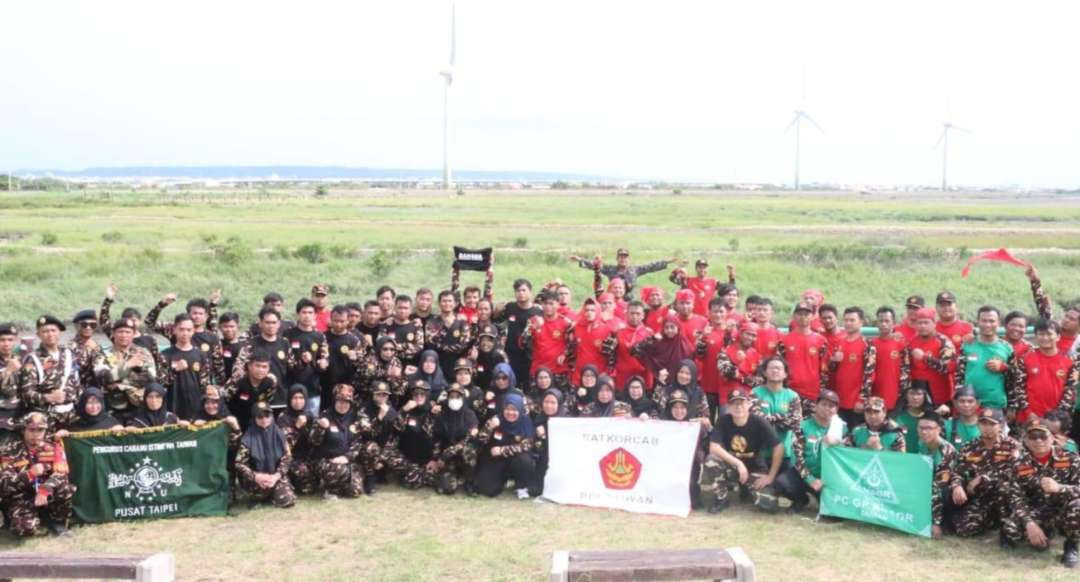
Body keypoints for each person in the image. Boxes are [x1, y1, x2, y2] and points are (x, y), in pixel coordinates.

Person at [999, 418, 1080, 568]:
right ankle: (1044, 531)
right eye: (1033, 437)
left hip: (1063, 508)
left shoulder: (1071, 458)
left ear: (1052, 438)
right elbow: (1016, 498)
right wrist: (1029, 523)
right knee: (1011, 530)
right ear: (1026, 441)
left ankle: (1071, 545)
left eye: (1043, 436)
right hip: (1037, 510)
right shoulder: (1019, 464)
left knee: (1078, 506)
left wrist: (1060, 487)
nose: (1038, 441)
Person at [698, 389, 787, 513]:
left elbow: (779, 447)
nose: (738, 407)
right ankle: (721, 498)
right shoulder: (724, 421)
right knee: (711, 460)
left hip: (755, 469)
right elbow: (714, 447)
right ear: (728, 407)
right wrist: (739, 464)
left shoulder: (759, 422)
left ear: (749, 404)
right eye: (734, 404)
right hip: (733, 468)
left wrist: (771, 477)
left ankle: (746, 489)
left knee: (769, 505)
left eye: (742, 403)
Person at [0, 412, 75, 537]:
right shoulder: (9, 450)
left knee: (65, 488)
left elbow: (62, 473)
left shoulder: (52, 447)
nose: (36, 434)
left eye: (40, 430)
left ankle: (56, 521)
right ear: (24, 430)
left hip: (46, 494)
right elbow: (3, 484)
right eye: (32, 430)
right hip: (22, 496)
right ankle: (15, 518)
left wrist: (45, 489)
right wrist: (29, 475)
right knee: (23, 530)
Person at [951, 409, 1021, 537]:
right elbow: (957, 471)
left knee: (1002, 488)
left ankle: (1007, 522)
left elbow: (1018, 475)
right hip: (981, 497)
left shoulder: (1012, 446)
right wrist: (957, 485)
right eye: (983, 423)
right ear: (978, 425)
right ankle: (991, 520)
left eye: (992, 424)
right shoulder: (970, 447)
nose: (987, 428)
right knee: (964, 529)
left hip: (1006, 497)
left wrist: (983, 478)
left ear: (1001, 426)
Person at [751, 357, 804, 509]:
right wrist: (781, 419)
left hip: (785, 454)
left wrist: (768, 419)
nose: (775, 371)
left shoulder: (792, 396)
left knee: (786, 485)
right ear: (765, 372)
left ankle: (801, 499)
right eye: (771, 368)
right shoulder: (755, 393)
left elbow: (795, 422)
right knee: (765, 504)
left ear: (785, 374)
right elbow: (756, 421)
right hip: (761, 453)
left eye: (779, 368)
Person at [143, 290, 225, 382]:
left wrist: (218, 388)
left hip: (201, 384)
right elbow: (149, 323)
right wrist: (161, 304)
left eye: (200, 314)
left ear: (206, 316)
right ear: (188, 314)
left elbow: (218, 366)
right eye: (194, 313)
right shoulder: (175, 329)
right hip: (175, 380)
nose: (197, 316)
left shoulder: (212, 337)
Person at [18, 315, 80, 431]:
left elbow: (77, 382)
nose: (50, 334)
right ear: (38, 335)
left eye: (53, 330)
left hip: (72, 416)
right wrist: (48, 397)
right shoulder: (33, 359)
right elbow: (25, 393)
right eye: (45, 331)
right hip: (46, 418)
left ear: (59, 332)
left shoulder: (69, 353)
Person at [91, 317, 157, 423]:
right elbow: (102, 378)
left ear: (134, 334)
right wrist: (128, 365)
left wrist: (120, 384)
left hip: (138, 407)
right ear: (113, 333)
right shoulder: (103, 354)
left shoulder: (143, 353)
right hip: (112, 408)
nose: (124, 335)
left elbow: (150, 378)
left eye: (128, 332)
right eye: (120, 331)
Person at [1011, 319, 1077, 424]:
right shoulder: (1025, 358)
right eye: (1041, 334)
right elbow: (1019, 387)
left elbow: (1070, 390)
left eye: (1049, 334)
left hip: (1056, 420)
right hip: (1029, 417)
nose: (1045, 338)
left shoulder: (1070, 360)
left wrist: (1058, 415)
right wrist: (1028, 412)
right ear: (1036, 337)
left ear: (1058, 337)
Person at [475, 393, 538, 499]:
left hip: (516, 458)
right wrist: (489, 427)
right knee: (487, 490)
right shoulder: (495, 419)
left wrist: (503, 450)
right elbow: (480, 441)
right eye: (507, 409)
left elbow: (528, 445)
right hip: (497, 460)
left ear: (520, 409)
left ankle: (521, 486)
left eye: (514, 410)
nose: (510, 413)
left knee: (525, 460)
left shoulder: (525, 421)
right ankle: (502, 479)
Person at [235, 401, 296, 509]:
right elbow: (239, 463)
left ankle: (271, 495)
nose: (264, 419)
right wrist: (256, 476)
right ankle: (259, 497)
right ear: (254, 418)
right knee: (258, 495)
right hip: (256, 480)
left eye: (267, 415)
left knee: (287, 500)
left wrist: (276, 476)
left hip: (276, 476)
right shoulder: (247, 438)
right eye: (260, 416)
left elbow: (287, 457)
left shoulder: (279, 434)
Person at [231, 307, 294, 409]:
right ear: (260, 323)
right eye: (267, 322)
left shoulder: (285, 343)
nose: (271, 326)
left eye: (274, 323)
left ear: (279, 324)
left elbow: (292, 367)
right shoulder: (250, 344)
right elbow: (238, 369)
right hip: (256, 400)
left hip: (280, 398)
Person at [310, 384, 366, 499]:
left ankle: (339, 484)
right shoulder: (324, 416)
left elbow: (358, 442)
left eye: (346, 402)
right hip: (325, 460)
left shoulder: (354, 417)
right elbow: (313, 442)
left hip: (345, 459)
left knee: (355, 492)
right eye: (340, 401)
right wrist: (321, 428)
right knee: (339, 469)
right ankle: (328, 490)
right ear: (334, 401)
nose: (343, 405)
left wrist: (347, 457)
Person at [957, 306, 1014, 414]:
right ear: (978, 322)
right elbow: (959, 375)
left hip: (996, 405)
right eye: (984, 321)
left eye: (992, 321)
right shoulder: (967, 345)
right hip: (969, 405)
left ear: (998, 323)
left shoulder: (1007, 348)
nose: (988, 325)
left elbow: (1015, 378)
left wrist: (1003, 367)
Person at [792, 389, 847, 502]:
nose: (827, 408)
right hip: (806, 475)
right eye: (823, 404)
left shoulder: (842, 428)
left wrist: (838, 443)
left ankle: (823, 499)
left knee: (832, 515)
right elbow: (796, 457)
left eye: (831, 406)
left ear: (836, 410)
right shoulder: (803, 426)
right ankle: (801, 500)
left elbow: (846, 458)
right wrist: (810, 479)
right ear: (816, 406)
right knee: (783, 483)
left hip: (830, 478)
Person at [914, 411, 959, 539]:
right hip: (932, 488)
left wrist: (935, 523)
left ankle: (939, 522)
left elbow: (939, 486)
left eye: (929, 428)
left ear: (939, 429)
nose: (924, 432)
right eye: (921, 428)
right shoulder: (922, 443)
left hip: (949, 492)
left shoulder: (946, 450)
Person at [158, 314, 212, 422]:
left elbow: (205, 384)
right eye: (181, 329)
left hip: (195, 407)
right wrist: (175, 370)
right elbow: (160, 383)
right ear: (174, 330)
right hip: (173, 405)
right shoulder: (165, 355)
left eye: (189, 330)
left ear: (193, 331)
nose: (185, 333)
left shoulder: (200, 355)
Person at [492, 278, 542, 391]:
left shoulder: (537, 311)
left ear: (530, 292)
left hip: (530, 355)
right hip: (511, 353)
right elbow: (496, 322)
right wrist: (496, 312)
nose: (521, 293)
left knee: (528, 385)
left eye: (524, 290)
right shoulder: (510, 307)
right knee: (512, 384)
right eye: (518, 291)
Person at [778, 303, 829, 411]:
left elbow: (824, 370)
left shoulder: (821, 341)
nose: (803, 317)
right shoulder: (784, 340)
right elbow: (780, 366)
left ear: (813, 316)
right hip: (789, 390)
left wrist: (821, 391)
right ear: (794, 316)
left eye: (806, 314)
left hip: (813, 393)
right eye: (800, 314)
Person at [829, 307, 875, 427]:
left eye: (852, 320)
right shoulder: (839, 342)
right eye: (846, 320)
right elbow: (831, 370)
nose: (848, 323)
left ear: (861, 322)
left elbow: (870, 374)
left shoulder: (867, 345)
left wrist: (862, 399)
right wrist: (833, 361)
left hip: (855, 402)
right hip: (838, 400)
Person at [283, 298, 329, 414]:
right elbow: (285, 362)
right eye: (304, 312)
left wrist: (324, 363)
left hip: (312, 388)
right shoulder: (288, 334)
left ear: (315, 315)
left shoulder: (319, 336)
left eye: (310, 313)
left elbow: (324, 358)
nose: (307, 316)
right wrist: (301, 361)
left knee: (311, 423)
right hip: (291, 387)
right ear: (298, 314)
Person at [908, 307, 956, 408]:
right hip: (918, 398)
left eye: (926, 322)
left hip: (939, 397)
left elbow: (947, 368)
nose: (922, 326)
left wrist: (925, 358)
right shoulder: (912, 341)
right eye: (919, 323)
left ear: (934, 323)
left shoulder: (944, 342)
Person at [572, 248, 676, 295]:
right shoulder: (610, 269)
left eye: (625, 257)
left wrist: (667, 262)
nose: (623, 259)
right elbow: (595, 266)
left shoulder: (635, 270)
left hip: (629, 300)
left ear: (628, 259)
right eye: (620, 257)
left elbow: (650, 267)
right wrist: (580, 260)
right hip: (614, 299)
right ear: (617, 259)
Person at [522, 291, 573, 387]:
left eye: (551, 303)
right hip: (538, 371)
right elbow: (522, 343)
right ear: (541, 305)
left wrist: (565, 354)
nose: (548, 307)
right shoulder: (534, 321)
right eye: (545, 303)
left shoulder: (565, 323)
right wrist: (531, 329)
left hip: (559, 371)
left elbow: (573, 344)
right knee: (537, 401)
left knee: (560, 400)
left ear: (558, 304)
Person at [1026, 265, 1080, 354]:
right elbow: (1042, 306)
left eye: (1072, 319)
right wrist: (1034, 280)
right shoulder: (1052, 328)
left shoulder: (1078, 344)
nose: (1066, 320)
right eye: (1066, 316)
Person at [276, 384, 317, 494]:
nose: (298, 401)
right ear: (289, 399)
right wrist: (296, 427)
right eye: (295, 398)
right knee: (307, 487)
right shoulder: (283, 417)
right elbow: (285, 446)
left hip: (307, 456)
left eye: (301, 398)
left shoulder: (309, 415)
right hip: (291, 457)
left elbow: (315, 441)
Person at [321, 305, 362, 414]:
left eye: (342, 321)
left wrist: (356, 359)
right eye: (335, 320)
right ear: (330, 319)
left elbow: (361, 366)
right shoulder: (323, 337)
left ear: (348, 321)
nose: (338, 324)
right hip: (325, 385)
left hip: (346, 387)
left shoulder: (354, 340)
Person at [227, 350, 280, 431]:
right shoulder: (237, 381)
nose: (261, 370)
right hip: (237, 421)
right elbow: (224, 400)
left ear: (269, 368)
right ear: (249, 366)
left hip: (259, 421)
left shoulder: (271, 381)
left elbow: (269, 399)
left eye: (264, 367)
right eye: (257, 366)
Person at [567, 298, 616, 385]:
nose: (589, 312)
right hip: (579, 375)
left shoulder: (607, 330)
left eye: (592, 310)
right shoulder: (576, 327)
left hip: (599, 375)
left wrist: (607, 373)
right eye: (587, 310)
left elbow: (613, 356)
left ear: (597, 311)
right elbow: (570, 348)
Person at [632, 315, 695, 383]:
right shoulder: (658, 343)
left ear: (678, 328)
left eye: (672, 327)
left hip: (681, 384)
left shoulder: (686, 347)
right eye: (666, 327)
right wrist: (651, 339)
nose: (669, 330)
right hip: (661, 382)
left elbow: (691, 366)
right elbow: (635, 350)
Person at [870, 306, 909, 413]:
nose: (884, 324)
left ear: (893, 322)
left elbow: (906, 370)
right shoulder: (871, 344)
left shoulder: (901, 343)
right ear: (877, 323)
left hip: (895, 395)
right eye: (881, 321)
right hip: (875, 394)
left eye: (887, 321)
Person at [425, 290, 471, 376]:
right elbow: (431, 343)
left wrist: (445, 348)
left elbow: (464, 344)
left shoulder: (462, 322)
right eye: (444, 301)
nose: (447, 304)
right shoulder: (432, 321)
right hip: (438, 362)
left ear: (455, 303)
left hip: (457, 362)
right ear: (439, 303)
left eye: (450, 301)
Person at [653, 359, 710, 424]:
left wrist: (700, 421)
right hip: (669, 428)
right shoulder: (668, 390)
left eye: (688, 373)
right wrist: (660, 384)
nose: (683, 376)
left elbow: (705, 415)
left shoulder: (699, 393)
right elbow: (656, 407)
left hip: (691, 430)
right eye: (681, 372)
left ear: (693, 376)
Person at [532, 387, 566, 490]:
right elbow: (535, 448)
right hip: (543, 460)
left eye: (553, 402)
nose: (549, 406)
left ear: (559, 404)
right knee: (535, 490)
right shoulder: (539, 419)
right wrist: (539, 436)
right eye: (546, 402)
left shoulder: (566, 420)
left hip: (561, 461)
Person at [356, 337, 406, 406]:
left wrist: (399, 377)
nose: (389, 352)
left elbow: (401, 390)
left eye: (392, 349)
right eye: (385, 349)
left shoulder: (396, 362)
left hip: (388, 396)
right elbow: (367, 376)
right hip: (368, 395)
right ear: (379, 349)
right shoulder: (370, 359)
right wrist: (387, 374)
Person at [380, 296, 425, 367]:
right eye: (400, 307)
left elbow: (419, 347)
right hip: (388, 365)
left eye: (406, 308)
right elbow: (381, 345)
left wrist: (396, 347)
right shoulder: (386, 325)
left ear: (410, 310)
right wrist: (407, 346)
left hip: (411, 365)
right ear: (395, 308)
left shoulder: (416, 326)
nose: (402, 311)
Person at [894, 382, 933, 453]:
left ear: (925, 396)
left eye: (919, 394)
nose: (915, 397)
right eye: (912, 393)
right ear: (906, 396)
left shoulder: (932, 419)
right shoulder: (897, 418)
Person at [69, 308, 103, 389]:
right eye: (84, 325)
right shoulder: (70, 347)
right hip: (78, 390)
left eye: (92, 325)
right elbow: (75, 370)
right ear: (77, 326)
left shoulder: (97, 345)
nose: (88, 328)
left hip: (95, 390)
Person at [218, 312, 246, 380]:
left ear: (237, 327)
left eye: (232, 326)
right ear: (220, 327)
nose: (229, 330)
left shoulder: (245, 346)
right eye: (225, 326)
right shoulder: (217, 345)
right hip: (221, 384)